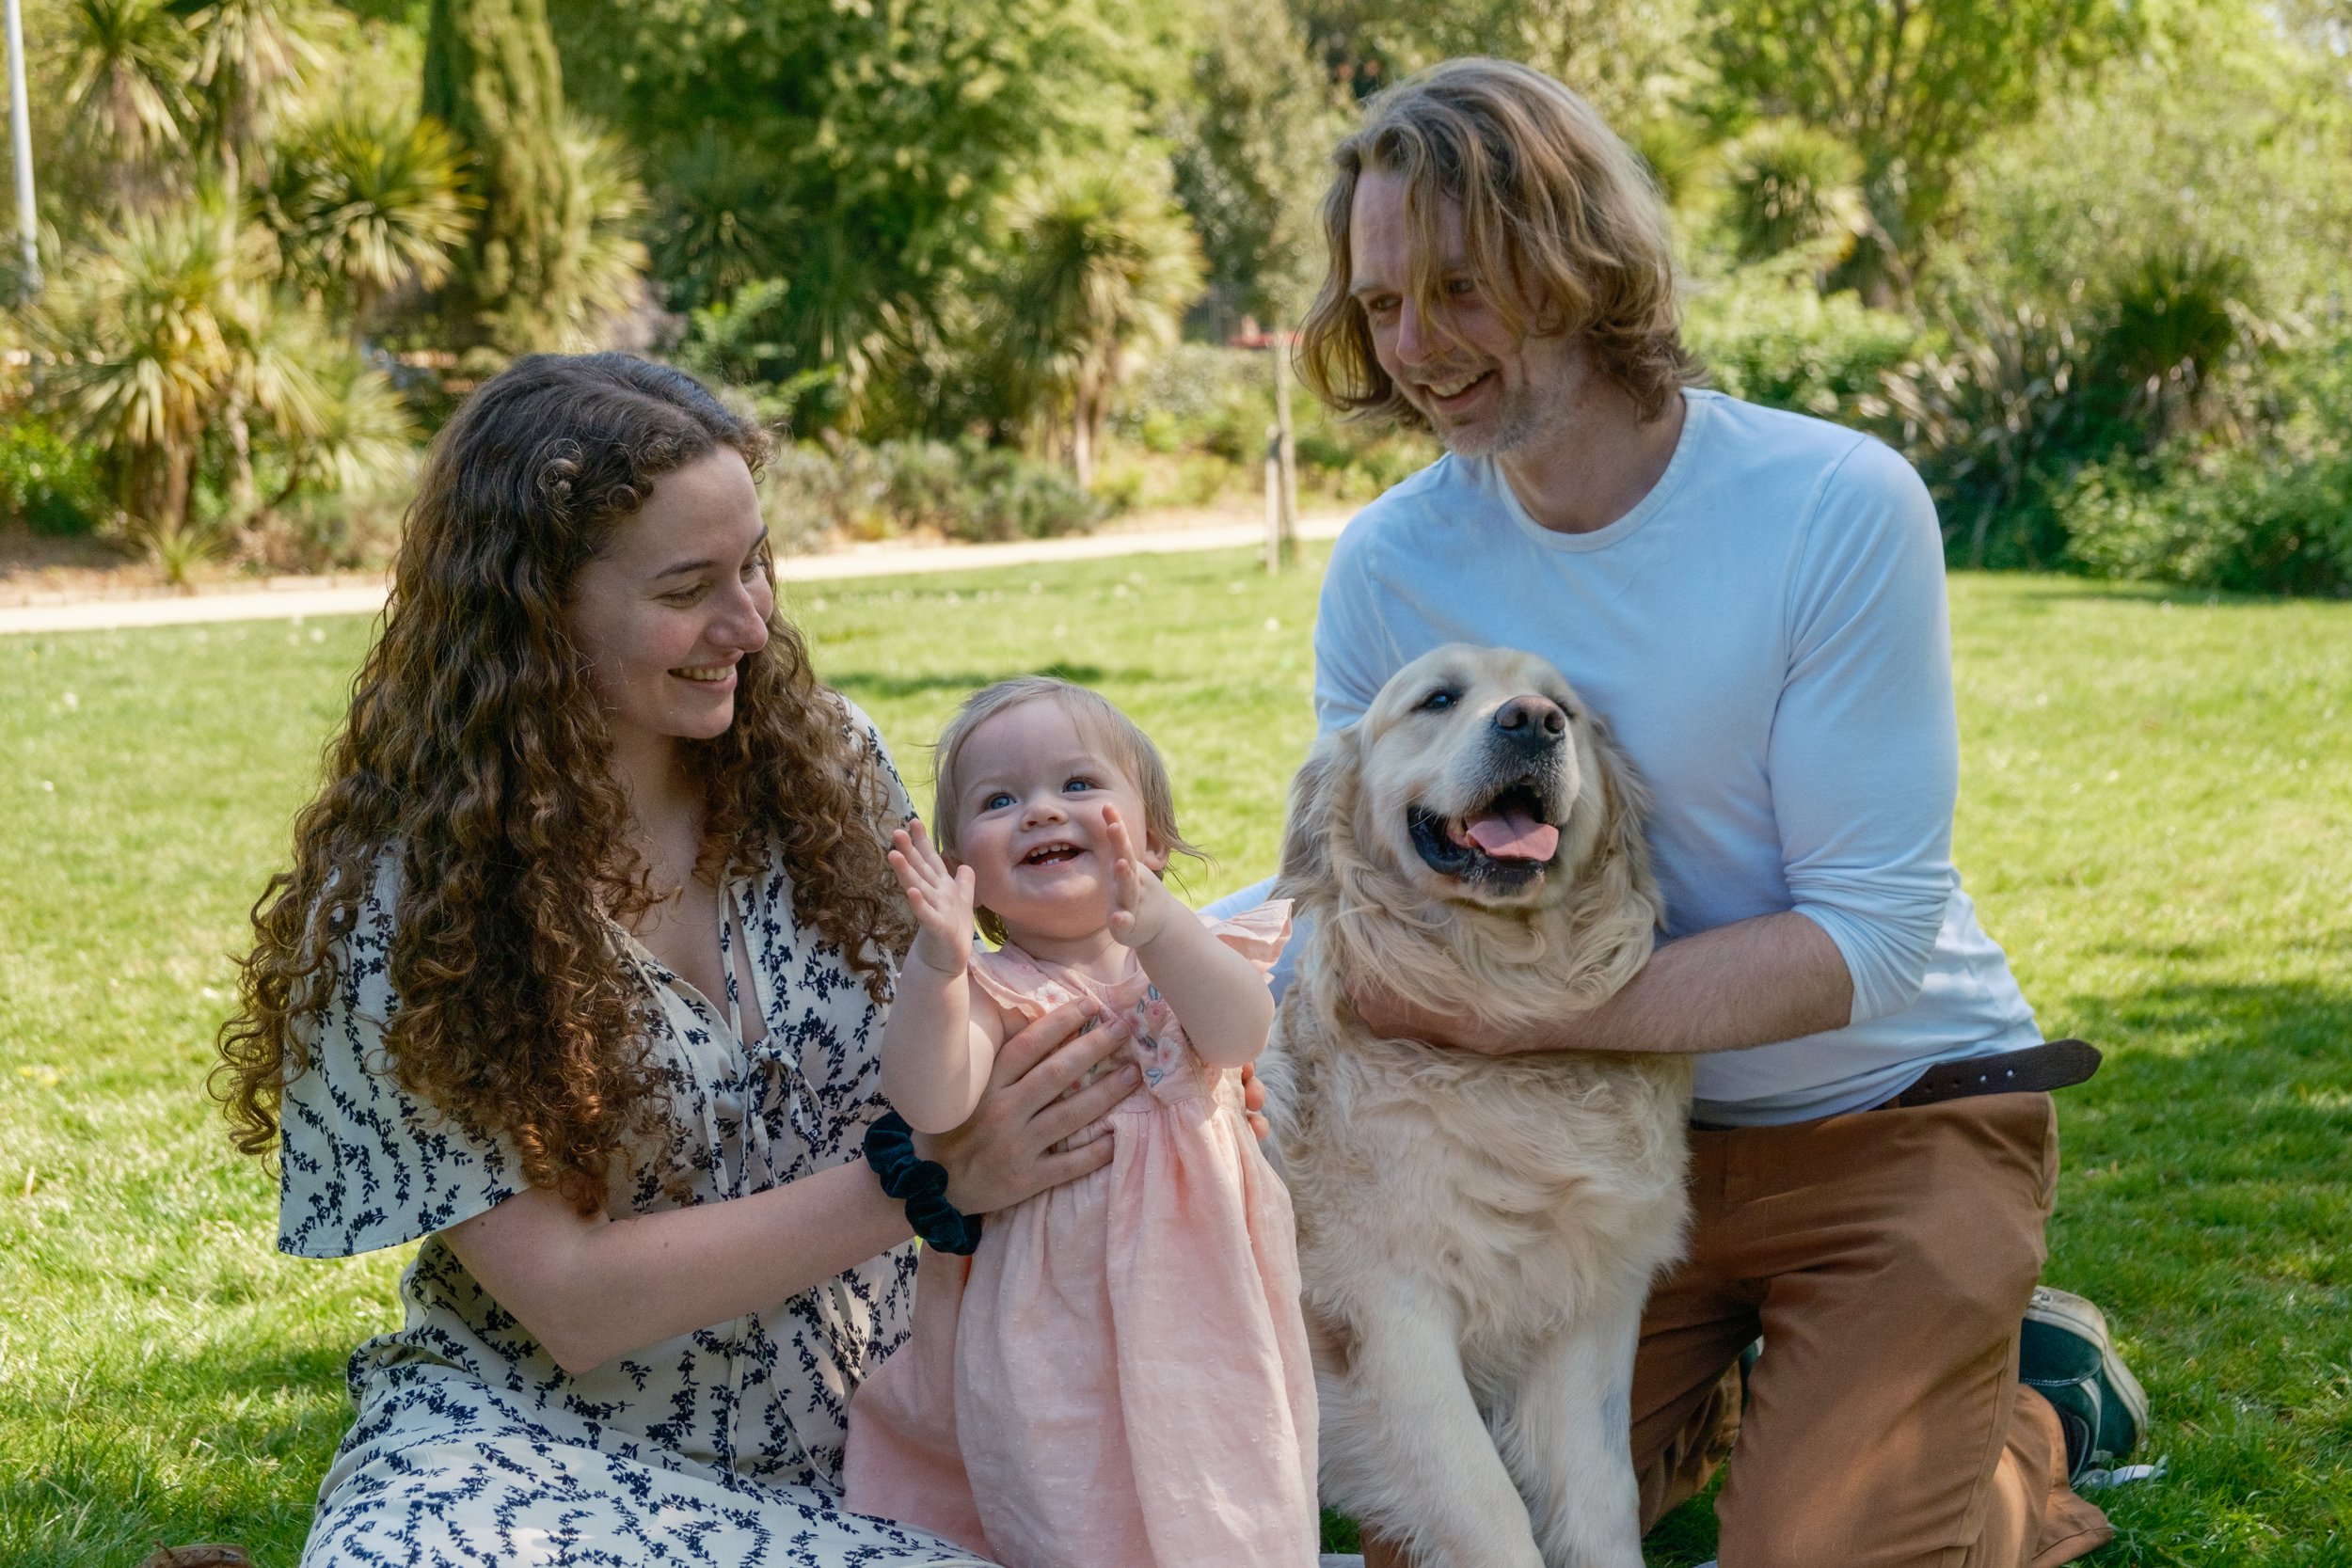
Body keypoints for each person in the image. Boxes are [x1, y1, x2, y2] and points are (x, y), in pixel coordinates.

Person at [1221, 57, 2145, 1568]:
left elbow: (1873, 933)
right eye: (1383, 302)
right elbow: (1350, 873)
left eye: (1461, 288)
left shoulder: (1835, 502)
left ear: (1578, 263)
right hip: (1578, 1155)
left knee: (1821, 1553)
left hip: (1893, 1111)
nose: (1416, 348)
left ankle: (2021, 1422)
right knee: (1453, 1544)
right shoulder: (1392, 564)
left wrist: (1522, 1022)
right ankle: (1766, 1389)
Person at [212, 355, 1154, 1567]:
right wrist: (924, 1177)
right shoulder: (399, 904)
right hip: (531, 1446)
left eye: (755, 563)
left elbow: (1002, 1009)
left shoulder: (830, 763)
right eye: (688, 586)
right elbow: (571, 1295)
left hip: (876, 1426)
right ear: (537, 607)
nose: (750, 621)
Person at [843, 676, 1317, 1568]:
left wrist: (1163, 928)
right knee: (1071, 1500)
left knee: (1233, 1481)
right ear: (961, 870)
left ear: (1156, 838)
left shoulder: (1187, 961)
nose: (1038, 811)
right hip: (1048, 1321)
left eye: (1078, 785)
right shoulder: (990, 993)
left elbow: (1240, 1030)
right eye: (998, 799)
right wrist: (936, 962)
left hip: (1207, 1299)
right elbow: (933, 1100)